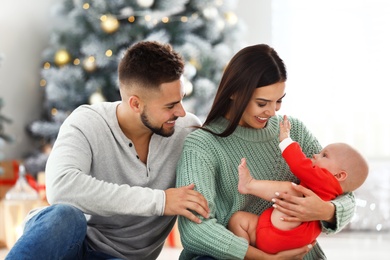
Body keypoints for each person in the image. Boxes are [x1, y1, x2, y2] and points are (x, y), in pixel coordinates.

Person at [6, 41, 210, 260]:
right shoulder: (87, 122)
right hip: (71, 246)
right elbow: (60, 187)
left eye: (181, 100)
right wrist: (160, 201)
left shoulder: (186, 131)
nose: (181, 112)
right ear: (135, 104)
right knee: (64, 215)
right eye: (170, 106)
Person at [176, 43, 357, 260]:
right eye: (262, 103)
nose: (272, 112)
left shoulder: (292, 131)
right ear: (234, 92)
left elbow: (343, 189)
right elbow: (194, 229)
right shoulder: (202, 144)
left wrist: (325, 211)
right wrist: (263, 258)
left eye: (279, 101)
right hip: (233, 254)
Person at [228, 115, 369, 254]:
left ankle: (249, 185)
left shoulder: (327, 181)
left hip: (285, 235)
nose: (315, 155)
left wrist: (285, 140)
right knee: (238, 219)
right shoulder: (328, 187)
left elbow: (299, 164)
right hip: (275, 235)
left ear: (339, 176)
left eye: (324, 155)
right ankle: (250, 255)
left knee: (292, 189)